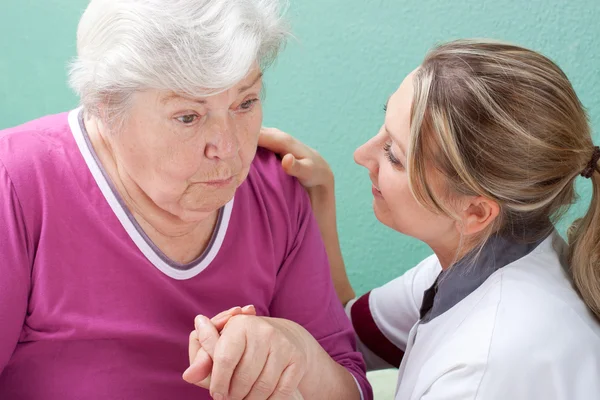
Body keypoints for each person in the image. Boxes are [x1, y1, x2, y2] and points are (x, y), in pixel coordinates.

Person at [0, 1, 371, 399]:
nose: (228, 148)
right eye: (188, 117)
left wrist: (299, 351)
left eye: (245, 103)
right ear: (107, 107)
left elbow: (351, 389)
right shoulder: (17, 183)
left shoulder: (276, 188)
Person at [193, 39, 600, 399]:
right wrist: (321, 195)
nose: (361, 154)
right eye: (384, 125)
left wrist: (285, 362)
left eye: (393, 154)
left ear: (475, 210)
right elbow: (345, 327)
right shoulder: (474, 262)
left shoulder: (488, 368)